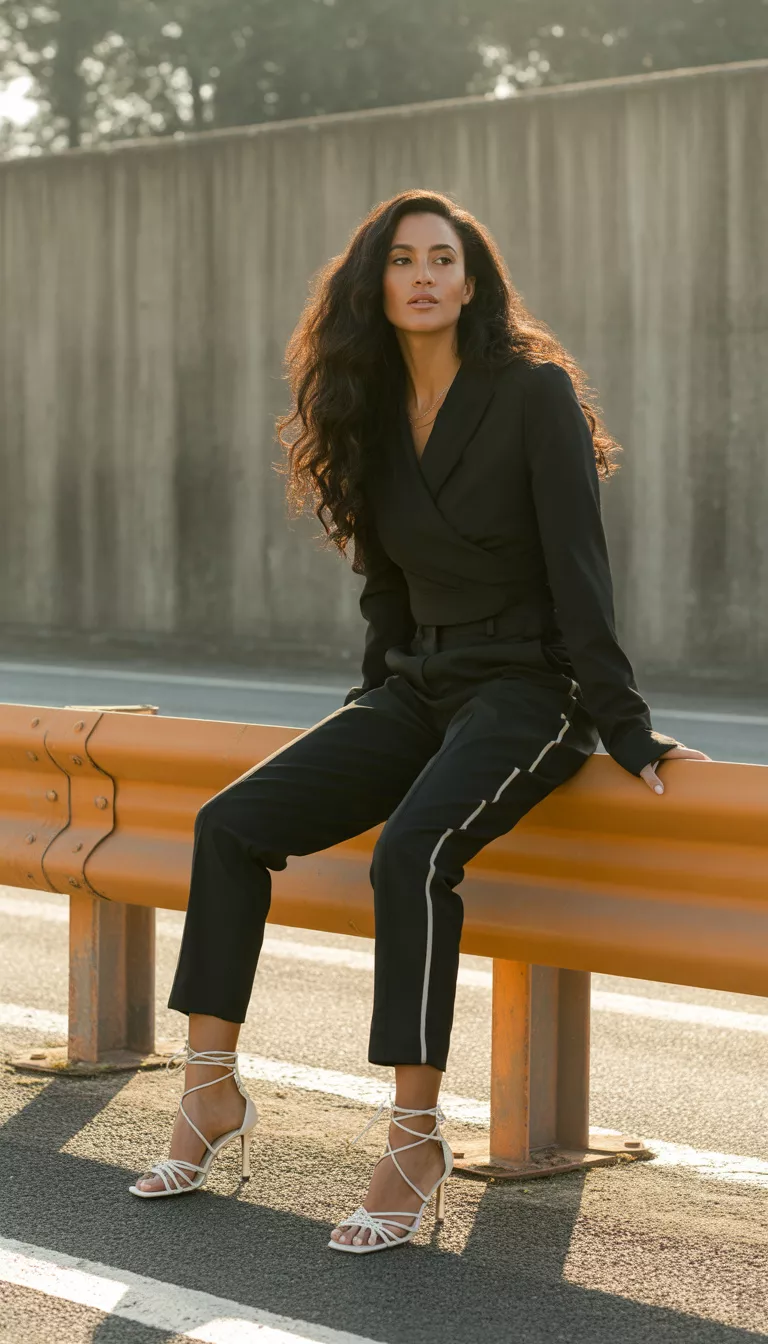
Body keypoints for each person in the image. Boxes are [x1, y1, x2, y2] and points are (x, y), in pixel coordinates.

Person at [129, 189, 710, 1252]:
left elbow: (582, 566)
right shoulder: (367, 409)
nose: (426, 275)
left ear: (474, 281)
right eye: (404, 260)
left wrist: (623, 725)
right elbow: (386, 587)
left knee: (411, 850)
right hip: (418, 685)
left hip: (529, 690)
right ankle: (208, 1089)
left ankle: (412, 1137)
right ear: (377, 285)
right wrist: (371, 710)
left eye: (446, 258)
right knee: (230, 823)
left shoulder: (531, 393)